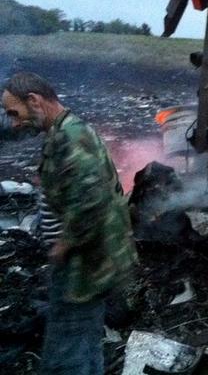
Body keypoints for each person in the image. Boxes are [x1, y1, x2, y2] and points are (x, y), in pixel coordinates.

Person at [2, 72, 138, 374]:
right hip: (85, 262)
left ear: (34, 101)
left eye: (15, 112)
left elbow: (91, 201)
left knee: (68, 352)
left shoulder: (71, 136)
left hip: (83, 265)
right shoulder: (62, 132)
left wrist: (61, 248)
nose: (13, 122)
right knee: (82, 344)